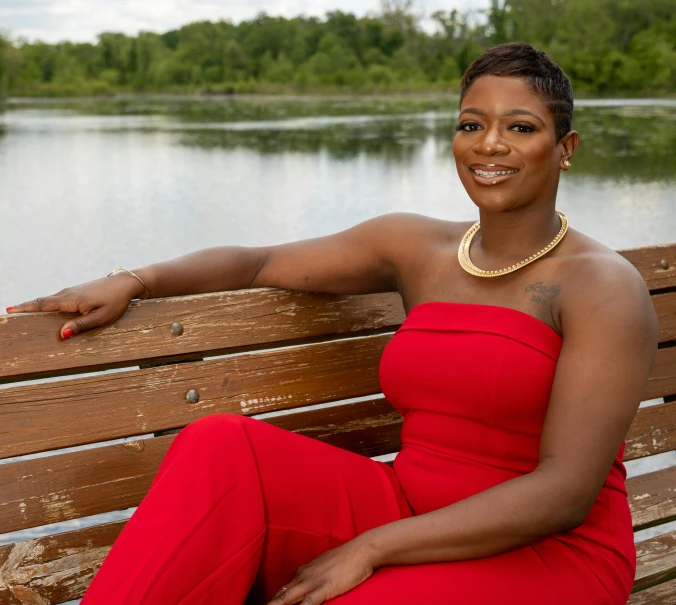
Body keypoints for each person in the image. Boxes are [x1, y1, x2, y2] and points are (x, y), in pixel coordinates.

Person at [7, 42, 657, 605]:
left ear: (564, 147)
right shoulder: (415, 247)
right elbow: (260, 260)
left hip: (552, 552)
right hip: (410, 503)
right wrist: (136, 280)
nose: (490, 144)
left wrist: (372, 546)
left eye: (520, 127)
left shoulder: (600, 286)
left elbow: (566, 491)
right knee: (222, 446)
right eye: (471, 124)